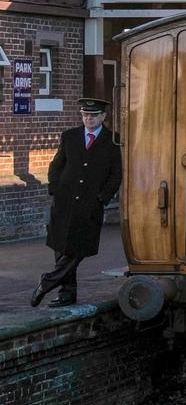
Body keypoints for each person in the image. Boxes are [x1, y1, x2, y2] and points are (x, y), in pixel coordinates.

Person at [31, 97, 122, 308]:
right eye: (85, 115)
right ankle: (66, 294)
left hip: (91, 204)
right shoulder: (69, 136)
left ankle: (47, 282)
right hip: (64, 201)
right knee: (62, 247)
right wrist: (55, 189)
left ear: (103, 116)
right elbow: (57, 165)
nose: (89, 119)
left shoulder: (112, 140)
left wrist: (102, 198)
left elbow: (116, 175)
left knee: (79, 247)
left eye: (93, 115)